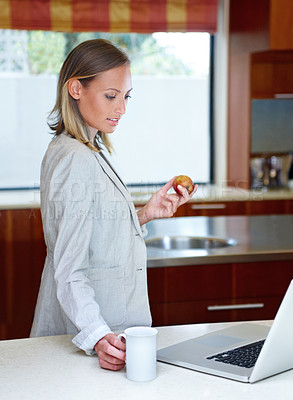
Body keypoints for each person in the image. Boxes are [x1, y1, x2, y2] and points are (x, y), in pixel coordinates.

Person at [30, 39, 197, 371]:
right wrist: (97, 335)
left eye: (125, 96)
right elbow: (70, 268)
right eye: (111, 96)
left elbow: (91, 232)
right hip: (101, 335)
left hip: (104, 333)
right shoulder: (77, 158)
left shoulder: (77, 148)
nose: (121, 109)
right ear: (75, 88)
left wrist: (146, 214)